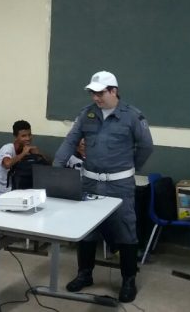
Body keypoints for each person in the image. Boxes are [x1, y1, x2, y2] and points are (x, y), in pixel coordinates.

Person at [53, 70, 153, 303]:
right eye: (92, 93)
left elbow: (146, 147)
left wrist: (130, 168)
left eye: (100, 93)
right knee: (87, 230)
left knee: (125, 231)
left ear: (113, 91)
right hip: (90, 183)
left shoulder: (132, 116)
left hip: (120, 185)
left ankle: (128, 280)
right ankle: (84, 274)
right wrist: (56, 168)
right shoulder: (86, 114)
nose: (95, 98)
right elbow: (70, 141)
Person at [0, 120, 46, 197]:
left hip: (18, 188)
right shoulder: (7, 148)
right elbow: (7, 164)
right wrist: (23, 153)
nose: (28, 138)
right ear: (16, 137)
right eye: (23, 136)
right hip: (4, 193)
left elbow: (48, 164)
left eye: (29, 135)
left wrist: (39, 154)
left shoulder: (26, 149)